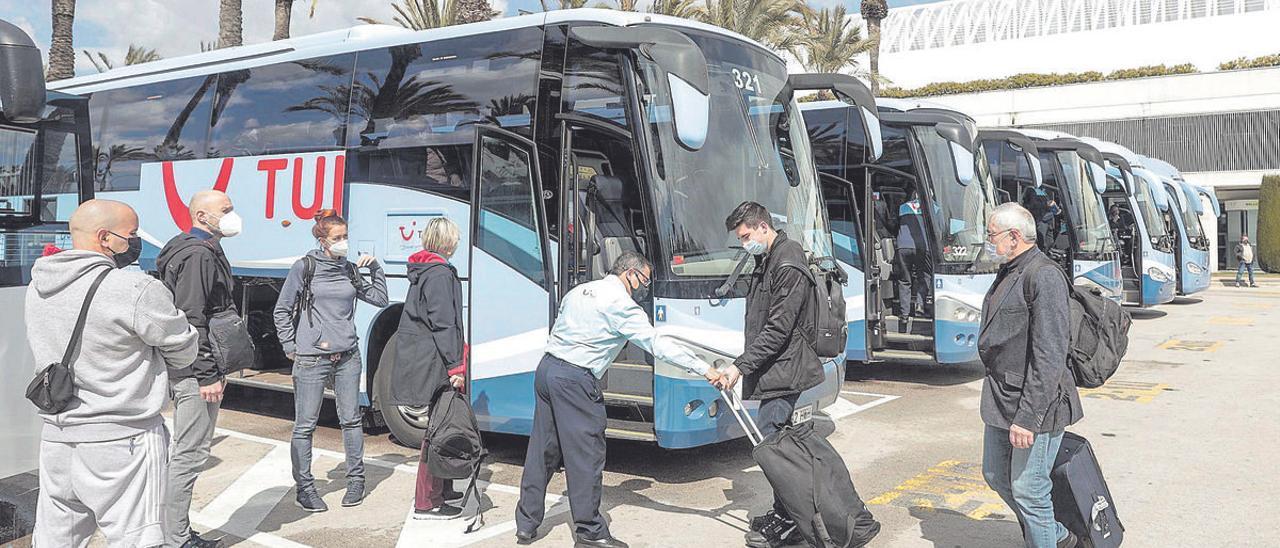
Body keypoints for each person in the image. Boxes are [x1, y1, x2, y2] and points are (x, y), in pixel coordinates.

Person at [515, 252, 719, 548]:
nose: (644, 288)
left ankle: (526, 523)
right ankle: (590, 532)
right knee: (586, 455)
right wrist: (705, 368)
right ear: (631, 275)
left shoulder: (579, 291)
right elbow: (656, 344)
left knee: (542, 449)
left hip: (547, 369)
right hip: (575, 379)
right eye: (645, 281)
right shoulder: (621, 304)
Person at [27, 200, 199, 547]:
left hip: (58, 436)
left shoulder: (39, 284)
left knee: (56, 537)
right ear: (105, 238)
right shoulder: (133, 288)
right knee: (137, 539)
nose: (134, 242)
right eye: (131, 234)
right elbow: (184, 348)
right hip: (123, 439)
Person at [717, 201, 831, 548]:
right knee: (776, 444)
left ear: (763, 226)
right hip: (776, 368)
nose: (744, 243)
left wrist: (739, 366)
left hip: (787, 369)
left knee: (775, 446)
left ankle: (791, 520)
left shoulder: (787, 261)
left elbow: (778, 329)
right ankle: (786, 512)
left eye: (747, 236)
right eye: (740, 239)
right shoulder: (768, 258)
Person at [978, 203, 1083, 548]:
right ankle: (1056, 535)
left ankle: (1049, 536)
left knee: (1030, 489)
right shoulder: (1011, 270)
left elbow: (1050, 353)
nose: (989, 241)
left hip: (1036, 402)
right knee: (995, 474)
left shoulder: (1044, 275)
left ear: (1014, 236)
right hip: (1002, 398)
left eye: (992, 234)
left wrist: (1028, 417)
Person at [273, 212, 388, 512]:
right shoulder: (305, 267)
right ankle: (306, 488)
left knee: (351, 420)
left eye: (345, 237)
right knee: (305, 425)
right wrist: (290, 346)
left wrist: (376, 269)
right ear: (322, 240)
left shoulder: (350, 270)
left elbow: (380, 299)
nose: (343, 243)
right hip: (312, 358)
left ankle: (356, 482)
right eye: (337, 238)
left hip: (348, 356)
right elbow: (282, 310)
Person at [156, 190, 243, 548]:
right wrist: (206, 374)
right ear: (202, 216)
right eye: (225, 210)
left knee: (188, 453)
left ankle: (174, 532)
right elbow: (193, 318)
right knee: (189, 454)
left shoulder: (189, 247)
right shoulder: (197, 255)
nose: (232, 215)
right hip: (196, 373)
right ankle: (175, 538)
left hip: (195, 368)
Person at [387, 217, 469, 520]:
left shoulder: (425, 271)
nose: (458, 242)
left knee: (441, 425)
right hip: (435, 359)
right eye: (456, 238)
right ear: (447, 241)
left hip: (425, 357)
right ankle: (428, 501)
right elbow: (444, 322)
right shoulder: (438, 274)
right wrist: (455, 366)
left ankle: (443, 488)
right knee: (438, 430)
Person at [895, 191, 931, 327]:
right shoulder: (933, 207)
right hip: (922, 246)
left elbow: (896, 225)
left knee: (905, 280)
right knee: (924, 276)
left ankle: (904, 315)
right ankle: (920, 307)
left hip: (902, 246)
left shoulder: (903, 207)